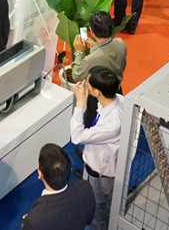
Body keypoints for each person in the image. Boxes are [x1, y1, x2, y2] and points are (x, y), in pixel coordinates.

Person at [70, 67, 124, 230]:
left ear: (98, 92)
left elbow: (77, 137)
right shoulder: (119, 100)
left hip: (102, 174)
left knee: (98, 210)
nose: (84, 85)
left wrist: (80, 103)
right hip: (98, 159)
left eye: (88, 84)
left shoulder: (112, 124)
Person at [21, 143, 95, 230]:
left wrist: (30, 221)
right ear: (69, 169)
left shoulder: (34, 220)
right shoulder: (85, 188)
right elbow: (88, 219)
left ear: (40, 174)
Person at [71, 11, 127, 86]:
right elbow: (108, 55)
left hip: (101, 92)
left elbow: (76, 76)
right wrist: (96, 46)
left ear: (91, 30)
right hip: (116, 87)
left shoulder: (91, 60)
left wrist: (78, 52)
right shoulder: (120, 42)